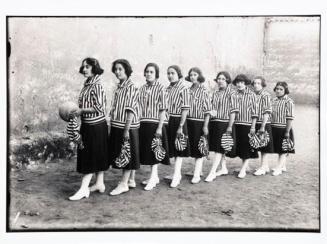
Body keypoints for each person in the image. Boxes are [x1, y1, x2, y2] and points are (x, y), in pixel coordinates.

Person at [68, 57, 109, 201]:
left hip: (96, 126)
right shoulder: (88, 84)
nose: (84, 69)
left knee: (90, 156)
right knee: (95, 155)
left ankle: (84, 189)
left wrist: (80, 111)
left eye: (87, 67)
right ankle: (99, 183)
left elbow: (100, 108)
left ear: (94, 68)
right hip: (89, 125)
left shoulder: (96, 85)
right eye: (83, 67)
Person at [108, 59, 140, 195]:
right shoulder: (119, 87)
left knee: (126, 153)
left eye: (120, 69)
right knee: (123, 152)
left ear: (126, 70)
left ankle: (123, 183)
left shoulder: (131, 87)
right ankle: (131, 179)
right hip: (117, 125)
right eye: (115, 69)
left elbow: (131, 110)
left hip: (127, 126)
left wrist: (126, 130)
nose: (117, 72)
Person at [139, 63, 170, 191]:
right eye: (147, 71)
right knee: (147, 150)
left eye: (151, 72)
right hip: (143, 123)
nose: (148, 74)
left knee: (154, 150)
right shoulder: (142, 88)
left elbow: (163, 110)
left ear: (156, 74)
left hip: (155, 124)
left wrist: (159, 128)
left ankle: (152, 178)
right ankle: (155, 176)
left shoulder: (161, 88)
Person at [206, 71, 238, 182]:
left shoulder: (232, 93)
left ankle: (212, 172)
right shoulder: (215, 93)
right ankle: (223, 168)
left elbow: (233, 112)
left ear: (228, 80)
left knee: (219, 148)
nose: (220, 81)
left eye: (223, 79)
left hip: (225, 123)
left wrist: (230, 126)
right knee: (217, 148)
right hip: (215, 123)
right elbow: (212, 108)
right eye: (219, 79)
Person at [184, 67, 211, 183]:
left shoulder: (204, 90)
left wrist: (205, 126)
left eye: (195, 75)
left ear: (199, 76)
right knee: (192, 147)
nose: (192, 77)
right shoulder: (188, 90)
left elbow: (208, 111)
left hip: (199, 122)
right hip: (189, 121)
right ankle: (197, 170)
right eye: (191, 75)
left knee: (199, 148)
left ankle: (197, 174)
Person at [166, 65, 191, 188]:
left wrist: (181, 126)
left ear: (178, 74)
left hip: (179, 120)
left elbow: (185, 109)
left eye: (172, 73)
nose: (170, 75)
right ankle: (176, 173)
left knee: (179, 148)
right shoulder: (168, 88)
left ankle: (176, 176)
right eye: (168, 73)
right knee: (172, 148)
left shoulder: (183, 88)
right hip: (169, 120)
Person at [233, 74, 259, 178]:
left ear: (245, 83)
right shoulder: (234, 94)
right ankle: (244, 166)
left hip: (247, 125)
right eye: (238, 82)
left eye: (242, 82)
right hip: (236, 124)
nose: (239, 84)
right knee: (239, 147)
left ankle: (243, 169)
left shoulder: (252, 95)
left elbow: (255, 113)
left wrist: (253, 127)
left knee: (246, 147)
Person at [271, 81, 295, 176]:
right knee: (278, 149)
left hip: (283, 128)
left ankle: (279, 168)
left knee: (283, 150)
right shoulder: (273, 100)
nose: (278, 91)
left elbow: (290, 118)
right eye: (277, 89)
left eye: (281, 89)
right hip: (274, 127)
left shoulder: (289, 101)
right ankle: (283, 165)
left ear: (285, 91)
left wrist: (287, 131)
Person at [252, 76, 274, 176]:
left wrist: (263, 126)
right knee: (259, 144)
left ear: (262, 85)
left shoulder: (265, 95)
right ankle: (265, 166)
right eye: (254, 83)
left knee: (264, 145)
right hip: (256, 122)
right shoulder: (254, 95)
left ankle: (263, 167)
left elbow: (267, 112)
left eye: (258, 83)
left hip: (263, 123)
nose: (256, 85)